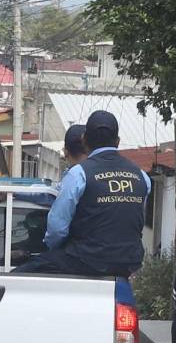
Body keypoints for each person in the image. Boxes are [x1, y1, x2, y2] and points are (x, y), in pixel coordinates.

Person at [14, 111, 151, 277]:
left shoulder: (78, 174)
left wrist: (56, 250)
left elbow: (57, 229)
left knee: (19, 275)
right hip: (130, 261)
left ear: (84, 140)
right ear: (118, 141)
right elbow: (132, 218)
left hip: (87, 260)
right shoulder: (142, 176)